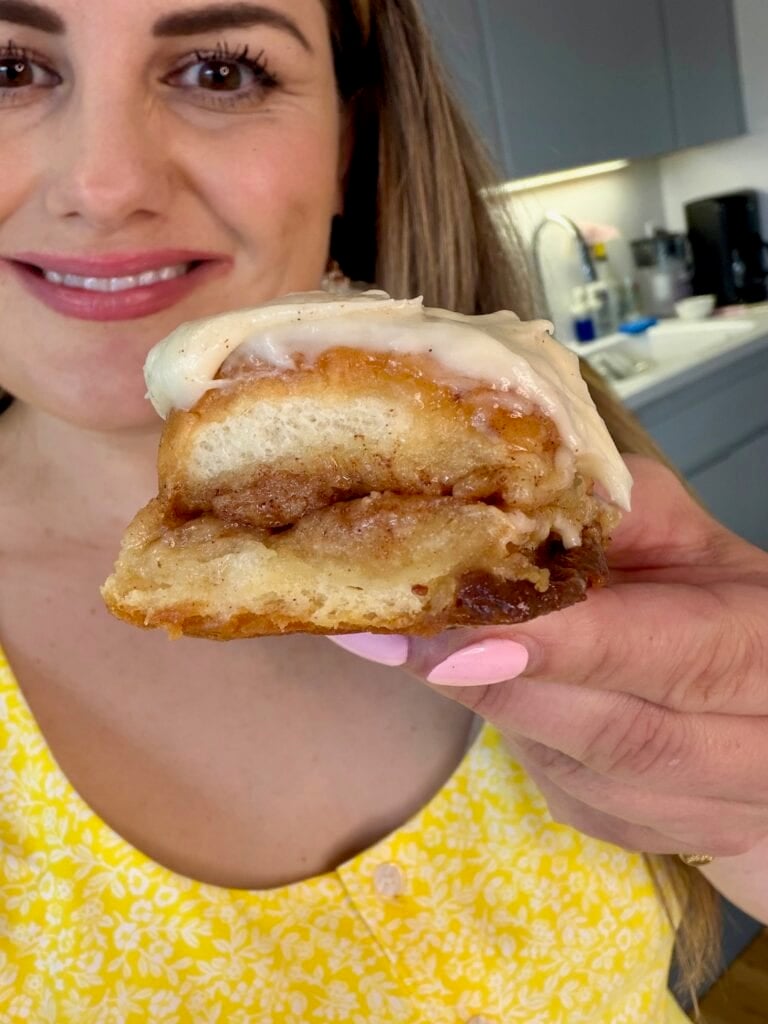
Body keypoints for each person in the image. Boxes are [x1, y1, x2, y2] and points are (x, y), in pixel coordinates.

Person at [0, 1, 766, 1021]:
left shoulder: (572, 511)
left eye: (222, 72)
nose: (105, 186)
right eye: (5, 68)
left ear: (348, 135)